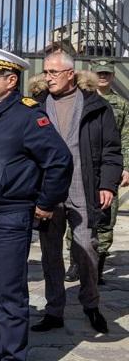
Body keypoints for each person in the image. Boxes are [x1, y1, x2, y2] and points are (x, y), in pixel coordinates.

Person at [0, 46, 73, 361]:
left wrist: (46, 203)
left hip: (8, 219)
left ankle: (12, 354)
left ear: (11, 80)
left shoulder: (27, 115)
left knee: (9, 293)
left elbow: (59, 161)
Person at [30, 52, 122, 335]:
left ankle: (91, 304)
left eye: (53, 72)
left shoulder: (97, 106)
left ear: (71, 73)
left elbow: (111, 150)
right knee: (50, 254)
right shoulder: (36, 105)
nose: (48, 77)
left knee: (87, 249)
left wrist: (107, 184)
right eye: (45, 72)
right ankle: (54, 310)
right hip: (48, 190)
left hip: (83, 186)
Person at [88, 58, 128, 284]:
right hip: (84, 167)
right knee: (77, 217)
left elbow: (125, 137)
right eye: (99, 73)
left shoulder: (121, 104)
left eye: (107, 74)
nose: (103, 77)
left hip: (108, 167)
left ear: (112, 76)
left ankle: (98, 266)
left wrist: (127, 168)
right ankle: (76, 263)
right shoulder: (81, 99)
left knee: (106, 215)